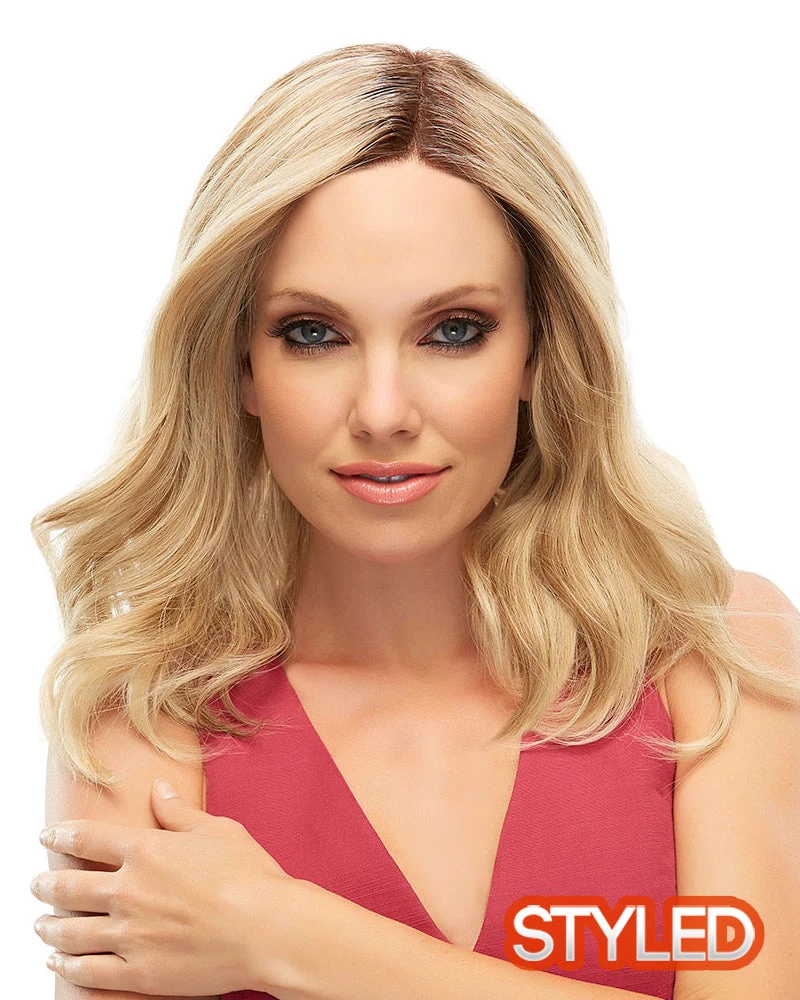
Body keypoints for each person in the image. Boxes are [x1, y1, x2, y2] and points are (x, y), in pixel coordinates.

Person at [28, 42, 800, 1000]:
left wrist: (283, 935)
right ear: (239, 367)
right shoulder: (147, 711)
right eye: (314, 333)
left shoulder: (721, 654)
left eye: (454, 331)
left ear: (539, 353)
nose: (384, 411)